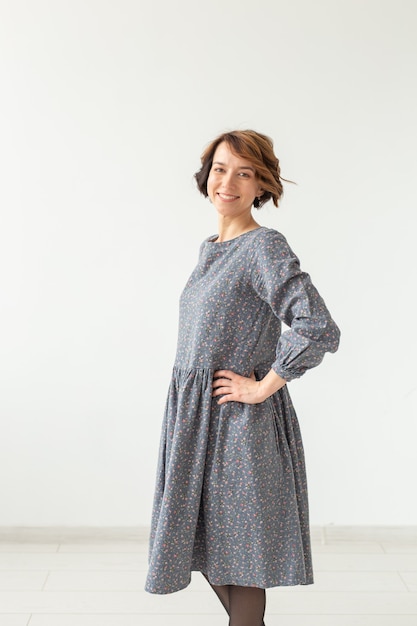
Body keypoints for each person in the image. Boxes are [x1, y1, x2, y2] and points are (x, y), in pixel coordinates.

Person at [145, 130, 340, 626]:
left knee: (241, 558)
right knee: (209, 544)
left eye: (244, 172)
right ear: (206, 175)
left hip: (238, 427)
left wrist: (263, 385)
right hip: (197, 423)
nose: (227, 181)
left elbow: (317, 326)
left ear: (262, 186)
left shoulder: (263, 246)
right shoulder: (210, 248)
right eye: (219, 168)